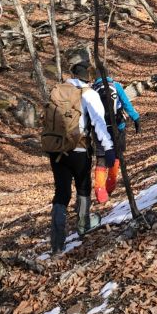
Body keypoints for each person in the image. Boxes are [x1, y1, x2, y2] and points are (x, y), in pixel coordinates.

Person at [47, 61, 115, 254]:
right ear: (89, 76)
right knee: (83, 187)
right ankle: (84, 225)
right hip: (79, 148)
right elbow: (99, 123)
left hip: (56, 150)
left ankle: (57, 243)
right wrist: (108, 148)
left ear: (73, 74)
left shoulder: (58, 91)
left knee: (61, 193)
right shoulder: (89, 94)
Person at [89, 67, 141, 203]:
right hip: (118, 127)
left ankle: (100, 192)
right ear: (109, 74)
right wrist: (136, 118)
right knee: (117, 156)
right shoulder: (116, 86)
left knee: (101, 159)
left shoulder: (92, 90)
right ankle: (110, 186)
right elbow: (126, 104)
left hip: (100, 129)